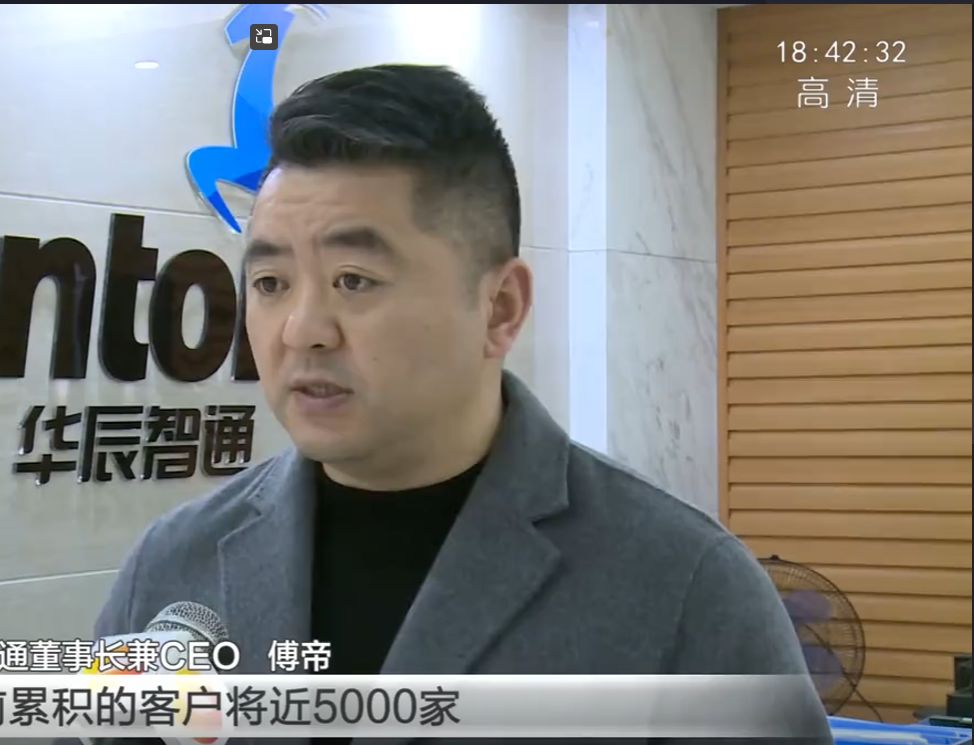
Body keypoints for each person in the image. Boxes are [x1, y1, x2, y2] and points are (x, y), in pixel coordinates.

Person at [89, 63, 831, 740]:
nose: (302, 329)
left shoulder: (684, 585)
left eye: (354, 280)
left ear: (500, 307)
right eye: (270, 283)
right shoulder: (174, 564)